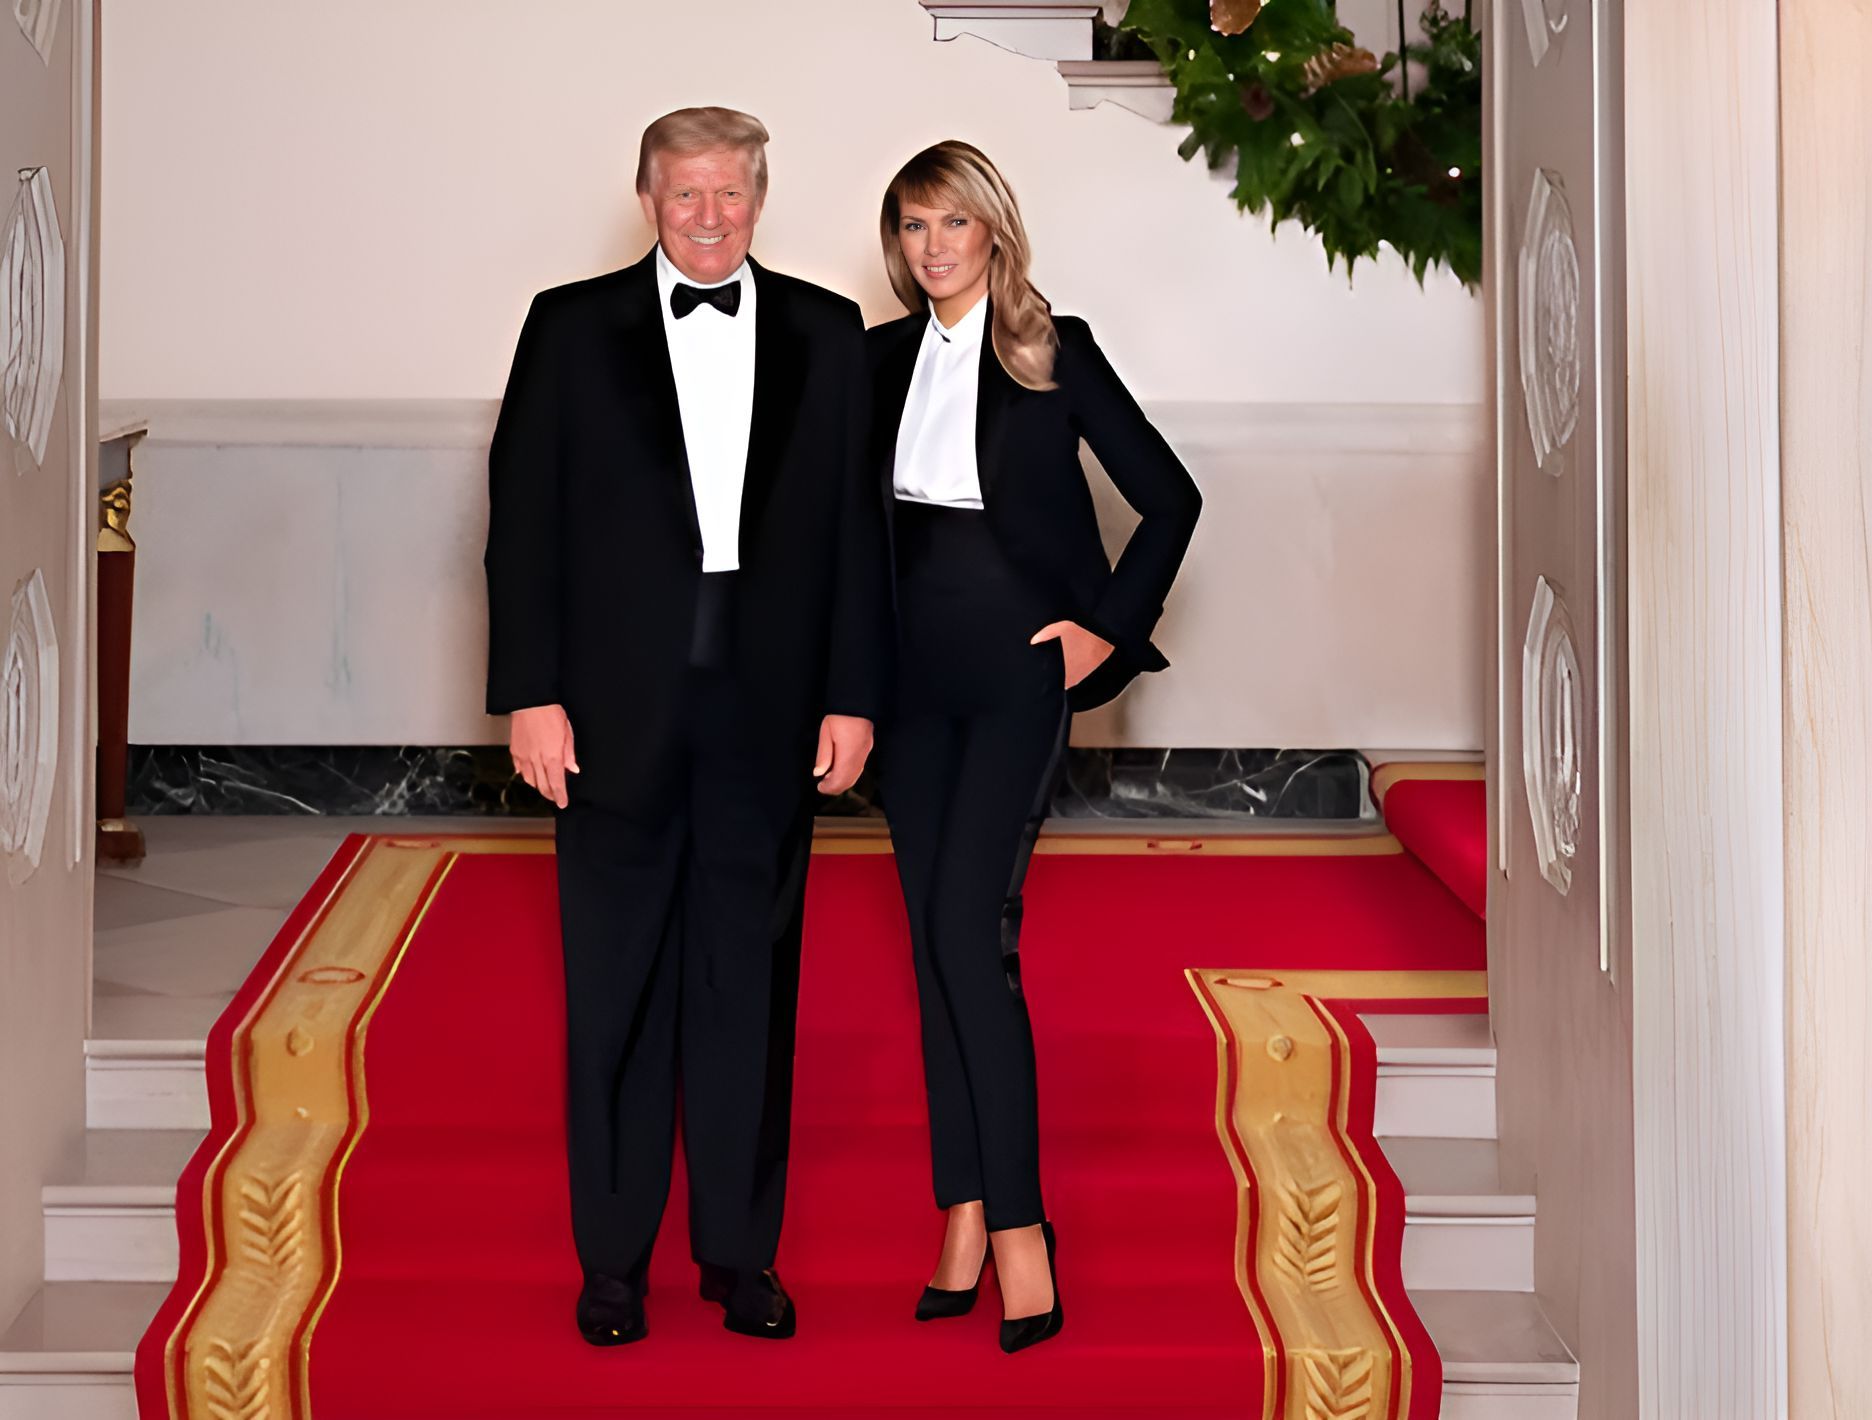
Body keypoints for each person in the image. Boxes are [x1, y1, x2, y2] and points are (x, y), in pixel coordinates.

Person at [483, 107, 888, 1346]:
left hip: (767, 708)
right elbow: (521, 521)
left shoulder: (829, 333)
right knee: (612, 990)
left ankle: (738, 1256)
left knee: (747, 990)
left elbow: (855, 539)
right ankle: (612, 1263)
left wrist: (854, 692)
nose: (708, 217)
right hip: (606, 711)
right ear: (648, 197)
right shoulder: (567, 325)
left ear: (760, 199)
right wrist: (530, 694)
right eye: (684, 195)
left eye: (730, 195)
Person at [869, 140, 1201, 1354]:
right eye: (913, 227)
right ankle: (960, 1209)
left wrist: (1100, 636)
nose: (933, 246)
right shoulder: (876, 361)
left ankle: (1019, 1225)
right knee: (928, 944)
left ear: (995, 231)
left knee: (971, 933)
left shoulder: (1056, 350)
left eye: (953, 223)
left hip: (1016, 675)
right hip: (906, 688)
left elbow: (1171, 497)